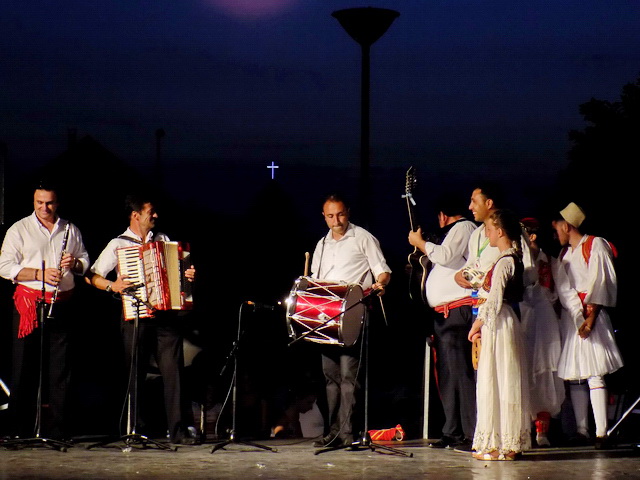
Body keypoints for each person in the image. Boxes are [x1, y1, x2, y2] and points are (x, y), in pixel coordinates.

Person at [86, 193, 198, 445]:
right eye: (150, 213)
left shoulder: (163, 240)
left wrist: (187, 275)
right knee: (134, 374)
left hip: (165, 316)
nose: (155, 216)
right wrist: (112, 286)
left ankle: (178, 431)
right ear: (136, 215)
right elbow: (92, 276)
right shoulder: (118, 244)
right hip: (135, 315)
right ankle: (135, 429)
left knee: (174, 373)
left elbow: (179, 273)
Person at [0, 182, 89, 440]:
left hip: (61, 304)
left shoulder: (70, 229)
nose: (44, 208)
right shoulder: (20, 229)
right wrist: (39, 274)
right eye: (39, 202)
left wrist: (75, 263)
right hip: (30, 305)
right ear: (33, 202)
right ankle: (19, 430)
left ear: (57, 203)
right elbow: (4, 267)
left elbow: (85, 261)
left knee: (61, 370)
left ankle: (59, 430)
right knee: (24, 367)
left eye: (49, 203)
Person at [310, 194, 391, 448]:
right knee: (330, 376)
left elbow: (383, 271)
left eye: (340, 214)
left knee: (348, 375)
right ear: (324, 217)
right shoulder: (322, 244)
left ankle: (346, 433)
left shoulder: (362, 237)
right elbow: (315, 279)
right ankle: (333, 432)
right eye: (330, 216)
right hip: (327, 315)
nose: (336, 221)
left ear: (348, 212)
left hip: (353, 311)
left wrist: (380, 284)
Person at [407, 193, 476, 450]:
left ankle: (471, 433)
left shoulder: (463, 227)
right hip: (444, 315)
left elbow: (445, 255)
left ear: (443, 216)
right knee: (448, 376)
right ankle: (452, 431)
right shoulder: (454, 234)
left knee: (462, 374)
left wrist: (421, 242)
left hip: (457, 312)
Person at [552, 202, 623, 447]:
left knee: (594, 374)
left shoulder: (594, 245)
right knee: (576, 376)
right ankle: (581, 430)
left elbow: (601, 281)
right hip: (572, 317)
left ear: (567, 226)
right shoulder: (564, 255)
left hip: (592, 314)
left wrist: (591, 318)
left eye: (557, 228)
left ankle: (602, 432)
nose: (556, 233)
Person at [467, 209, 531, 461]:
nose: (487, 234)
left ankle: (502, 444)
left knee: (499, 378)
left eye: (490, 230)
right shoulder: (508, 259)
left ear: (500, 232)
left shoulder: (506, 262)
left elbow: (494, 300)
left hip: (499, 322)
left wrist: (476, 325)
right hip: (501, 321)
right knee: (501, 378)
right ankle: (503, 443)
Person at [519, 217, 564, 447]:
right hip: (524, 315)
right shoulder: (517, 259)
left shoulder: (550, 262)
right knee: (524, 367)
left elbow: (558, 292)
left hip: (544, 318)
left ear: (532, 236)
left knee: (545, 371)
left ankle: (542, 429)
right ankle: (523, 427)